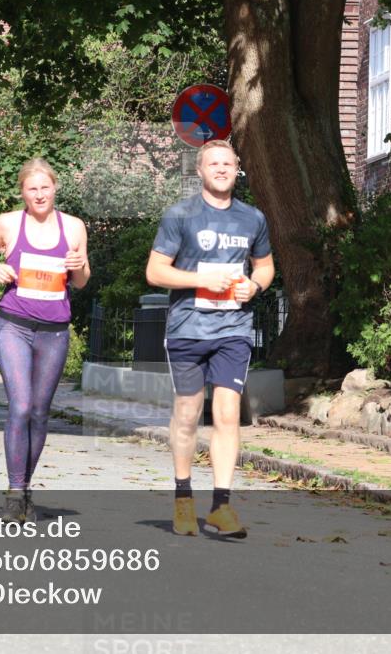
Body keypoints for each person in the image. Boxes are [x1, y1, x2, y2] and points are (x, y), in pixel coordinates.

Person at [145, 140, 275, 538]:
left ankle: (221, 506)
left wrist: (254, 287)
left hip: (233, 329)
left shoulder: (252, 218)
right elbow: (155, 272)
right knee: (187, 413)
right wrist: (201, 279)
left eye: (227, 163)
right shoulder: (180, 215)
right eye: (213, 163)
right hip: (187, 328)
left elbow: (266, 267)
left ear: (238, 169)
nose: (221, 169)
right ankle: (184, 498)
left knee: (227, 413)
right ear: (199, 171)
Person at [0, 158, 90, 523]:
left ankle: (25, 488)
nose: (39, 194)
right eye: (32, 189)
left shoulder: (73, 227)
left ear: (55, 188)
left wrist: (79, 265)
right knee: (21, 406)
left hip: (55, 331)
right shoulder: (9, 223)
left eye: (45, 187)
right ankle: (14, 494)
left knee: (40, 413)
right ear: (23, 192)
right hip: (13, 326)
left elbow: (83, 280)